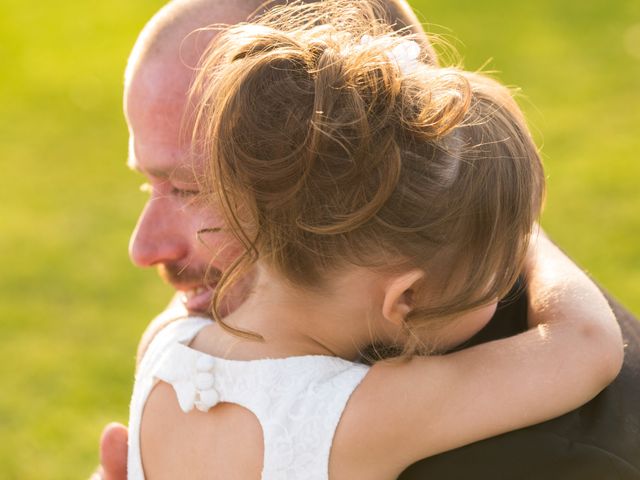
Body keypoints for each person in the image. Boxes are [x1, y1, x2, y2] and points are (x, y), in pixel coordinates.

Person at [94, 0, 640, 478]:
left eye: (190, 189)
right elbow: (585, 343)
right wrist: (506, 224)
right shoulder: (362, 417)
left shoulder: (170, 346)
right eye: (152, 183)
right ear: (404, 296)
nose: (143, 250)